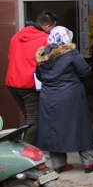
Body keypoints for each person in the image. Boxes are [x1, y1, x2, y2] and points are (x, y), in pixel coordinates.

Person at [35, 26, 93, 174]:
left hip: (48, 97)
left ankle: (59, 164)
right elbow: (85, 72)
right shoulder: (71, 53)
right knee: (80, 126)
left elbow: (39, 76)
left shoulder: (43, 55)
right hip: (71, 96)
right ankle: (89, 162)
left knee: (53, 129)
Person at [6, 10, 57, 146]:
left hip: (13, 83)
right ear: (47, 26)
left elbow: (10, 57)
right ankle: (26, 151)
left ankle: (24, 146)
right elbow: (48, 64)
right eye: (52, 28)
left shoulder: (16, 36)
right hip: (29, 84)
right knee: (35, 119)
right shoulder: (45, 39)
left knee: (28, 116)